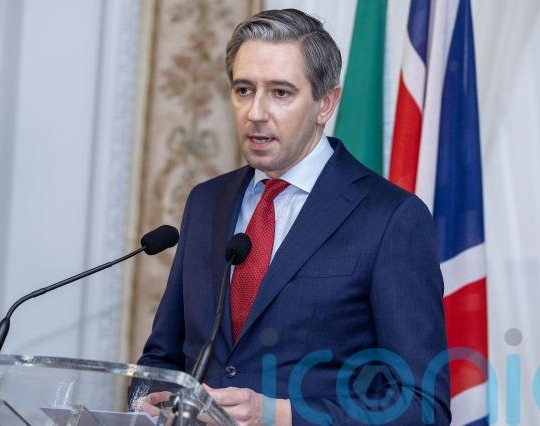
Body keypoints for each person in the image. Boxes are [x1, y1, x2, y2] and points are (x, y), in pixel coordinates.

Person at [136, 8, 450, 425]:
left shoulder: (390, 217)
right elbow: (162, 357)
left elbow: (423, 406)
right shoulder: (206, 202)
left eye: (280, 93)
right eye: (244, 90)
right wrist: (145, 399)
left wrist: (279, 415)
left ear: (326, 103)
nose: (255, 112)